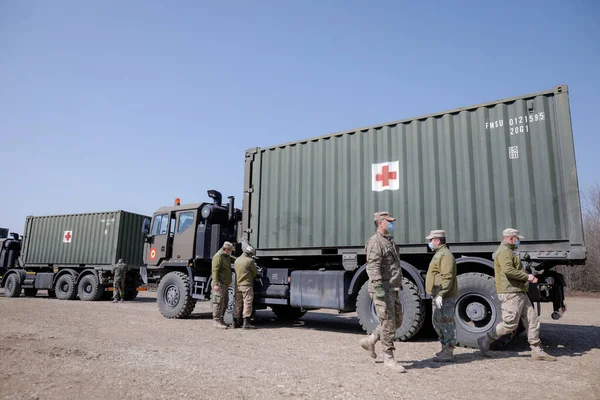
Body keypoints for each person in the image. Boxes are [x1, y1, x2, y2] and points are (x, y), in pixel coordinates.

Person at [477, 228, 556, 361]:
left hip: (519, 291)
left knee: (532, 319)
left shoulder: (509, 251)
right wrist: (527, 277)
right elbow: (508, 271)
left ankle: (536, 349)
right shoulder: (503, 252)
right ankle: (485, 340)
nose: (518, 241)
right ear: (511, 238)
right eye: (517, 238)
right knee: (510, 324)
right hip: (510, 292)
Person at [358, 211, 405, 373]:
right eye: (389, 222)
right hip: (382, 290)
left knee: (397, 320)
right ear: (380, 223)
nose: (392, 224)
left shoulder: (388, 241)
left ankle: (371, 340)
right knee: (389, 322)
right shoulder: (375, 242)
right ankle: (388, 357)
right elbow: (373, 268)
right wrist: (379, 292)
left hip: (392, 288)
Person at [425, 230, 458, 362]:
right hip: (439, 294)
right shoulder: (440, 254)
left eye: (431, 240)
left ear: (437, 241)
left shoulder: (445, 255)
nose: (429, 243)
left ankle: (449, 351)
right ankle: (444, 348)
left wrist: (441, 294)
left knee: (447, 321)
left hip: (445, 295)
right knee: (438, 321)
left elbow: (447, 276)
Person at [211, 241, 236, 329]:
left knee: (224, 302)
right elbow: (215, 271)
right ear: (225, 249)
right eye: (229, 250)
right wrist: (216, 284)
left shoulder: (226, 256)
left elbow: (234, 259)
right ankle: (216, 321)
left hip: (225, 284)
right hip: (219, 283)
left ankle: (221, 320)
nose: (230, 252)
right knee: (218, 302)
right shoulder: (218, 257)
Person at [233, 245, 258, 329]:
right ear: (250, 254)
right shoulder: (250, 261)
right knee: (247, 302)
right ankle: (246, 323)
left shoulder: (237, 260)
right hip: (246, 285)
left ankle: (234, 322)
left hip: (238, 284)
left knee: (238, 303)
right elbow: (254, 273)